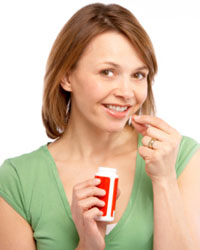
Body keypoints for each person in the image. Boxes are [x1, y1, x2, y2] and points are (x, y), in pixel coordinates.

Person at [0, 3, 199, 250]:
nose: (127, 93)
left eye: (138, 75)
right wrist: (87, 245)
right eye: (107, 72)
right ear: (66, 76)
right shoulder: (19, 179)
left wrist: (164, 180)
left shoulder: (180, 157)